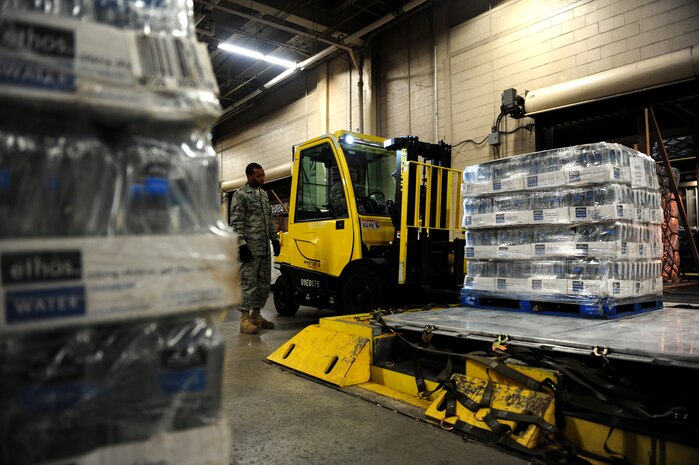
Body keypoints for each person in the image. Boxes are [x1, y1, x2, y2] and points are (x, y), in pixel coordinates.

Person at [229, 163, 281, 334]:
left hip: (264, 249)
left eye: (263, 175)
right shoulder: (240, 195)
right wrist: (242, 245)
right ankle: (244, 319)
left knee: (263, 284)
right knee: (248, 284)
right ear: (249, 177)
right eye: (258, 176)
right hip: (249, 250)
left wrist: (274, 240)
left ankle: (256, 316)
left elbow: (269, 219)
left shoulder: (264, 195)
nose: (262, 178)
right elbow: (236, 223)